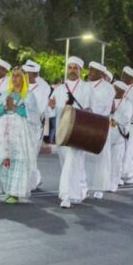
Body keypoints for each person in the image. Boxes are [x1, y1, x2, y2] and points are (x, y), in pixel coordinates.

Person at [47, 56, 94, 208]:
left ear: (81, 70)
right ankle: (78, 192)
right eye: (70, 67)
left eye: (75, 68)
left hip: (78, 131)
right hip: (62, 131)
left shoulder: (87, 88)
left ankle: (65, 196)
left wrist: (88, 111)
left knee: (71, 161)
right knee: (69, 163)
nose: (72, 70)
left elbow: (93, 110)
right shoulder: (59, 89)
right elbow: (50, 111)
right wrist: (51, 107)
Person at [0, 67, 37, 204]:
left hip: (20, 133)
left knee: (18, 160)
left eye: (18, 76)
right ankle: (8, 189)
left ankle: (15, 193)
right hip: (4, 131)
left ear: (23, 78)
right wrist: (5, 107)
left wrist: (15, 108)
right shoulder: (5, 94)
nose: (15, 78)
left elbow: (33, 115)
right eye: (13, 75)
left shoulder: (29, 95)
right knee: (0, 160)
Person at [85, 61, 116, 194]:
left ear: (100, 73)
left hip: (100, 124)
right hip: (85, 125)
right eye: (89, 69)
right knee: (85, 157)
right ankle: (85, 185)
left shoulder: (108, 88)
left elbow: (106, 107)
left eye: (92, 70)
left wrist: (92, 110)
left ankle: (99, 187)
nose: (89, 72)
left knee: (100, 157)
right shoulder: (85, 85)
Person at [23, 61, 50, 191]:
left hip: (34, 127)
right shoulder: (21, 86)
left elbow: (40, 109)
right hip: (20, 124)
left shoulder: (41, 89)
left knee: (31, 154)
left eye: (26, 73)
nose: (24, 75)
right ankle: (31, 179)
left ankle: (31, 181)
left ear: (34, 74)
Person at [109, 81, 133, 192]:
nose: (112, 90)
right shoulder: (107, 100)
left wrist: (114, 112)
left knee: (116, 162)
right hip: (105, 136)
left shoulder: (127, 104)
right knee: (104, 162)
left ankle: (113, 184)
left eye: (115, 89)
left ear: (122, 91)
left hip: (119, 137)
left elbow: (125, 119)